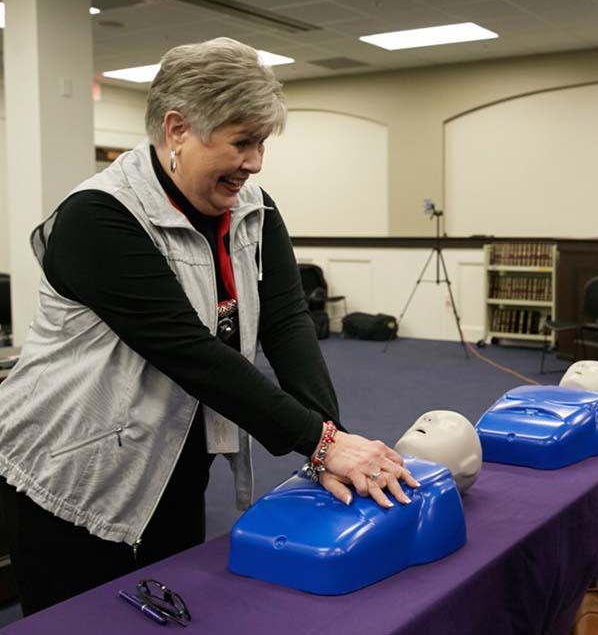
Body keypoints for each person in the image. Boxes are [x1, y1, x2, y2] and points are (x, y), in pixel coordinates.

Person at [0, 37, 417, 615]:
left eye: (262, 143)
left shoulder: (254, 206)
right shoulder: (97, 218)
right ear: (177, 129)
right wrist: (321, 444)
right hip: (70, 472)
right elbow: (189, 352)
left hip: (169, 456)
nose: (256, 162)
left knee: (173, 614)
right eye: (242, 142)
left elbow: (288, 322)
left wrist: (330, 439)